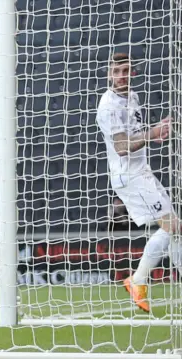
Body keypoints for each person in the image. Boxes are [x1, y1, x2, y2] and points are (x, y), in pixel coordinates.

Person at [95, 52, 173, 312]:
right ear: (109, 73)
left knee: (174, 229)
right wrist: (152, 133)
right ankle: (137, 280)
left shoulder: (133, 97)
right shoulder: (108, 106)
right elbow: (120, 146)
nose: (121, 76)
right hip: (129, 176)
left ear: (133, 73)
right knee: (173, 226)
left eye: (126, 71)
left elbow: (136, 135)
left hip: (142, 171)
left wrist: (154, 131)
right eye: (116, 72)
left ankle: (138, 280)